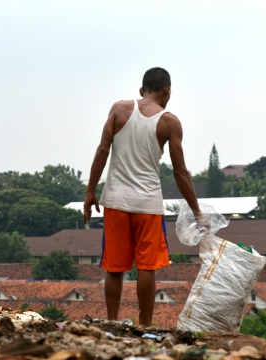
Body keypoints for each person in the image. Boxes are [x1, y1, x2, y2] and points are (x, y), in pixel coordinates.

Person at [83, 68, 205, 326]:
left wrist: (90, 191)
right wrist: (197, 212)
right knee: (147, 268)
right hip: (148, 205)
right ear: (167, 91)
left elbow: (103, 149)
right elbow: (180, 172)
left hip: (115, 201)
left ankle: (112, 323)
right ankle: (145, 327)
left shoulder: (118, 109)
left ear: (142, 90)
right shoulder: (170, 122)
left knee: (114, 268)